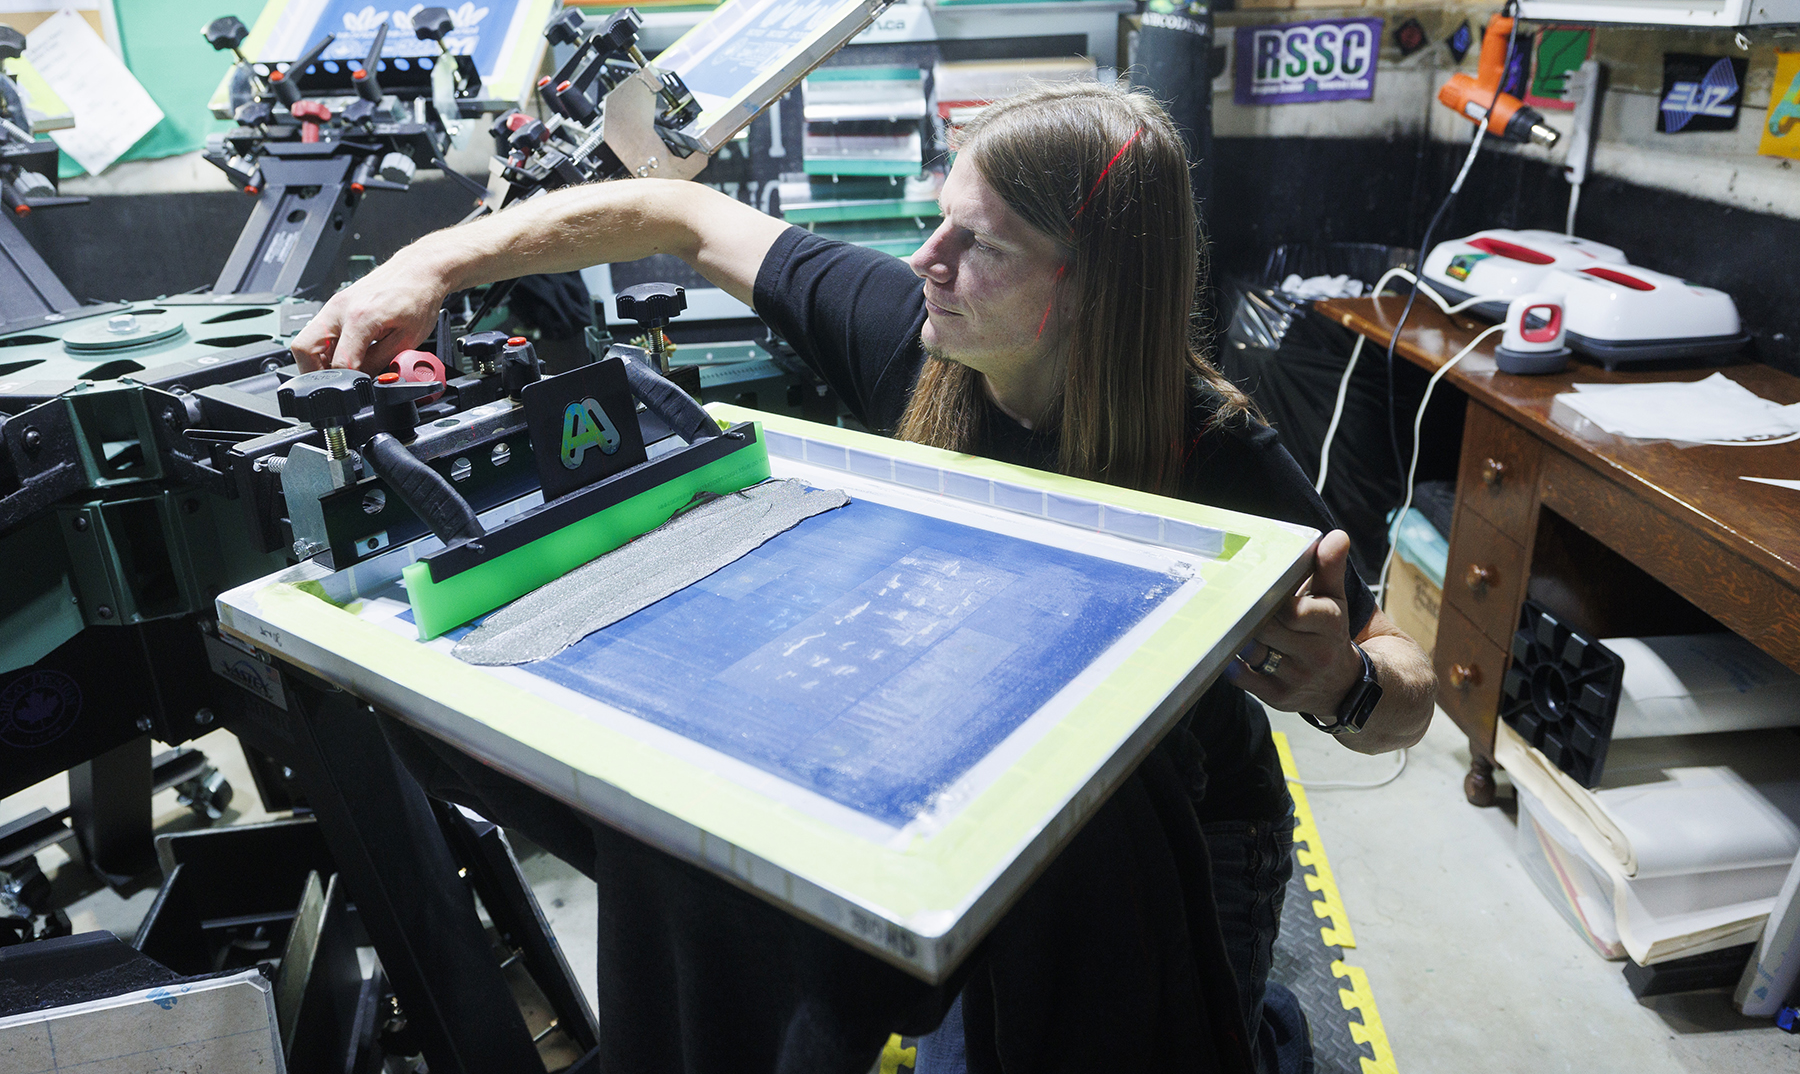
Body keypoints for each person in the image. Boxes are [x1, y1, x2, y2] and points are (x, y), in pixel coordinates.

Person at [294, 82, 1435, 1073]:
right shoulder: (915, 332)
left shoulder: (1215, 453)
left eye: (977, 244)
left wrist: (1342, 685)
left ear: (1090, 287)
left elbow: (1405, 694)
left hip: (1177, 839)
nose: (924, 262)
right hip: (976, 786)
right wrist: (429, 260)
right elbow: (678, 212)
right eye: (939, 223)